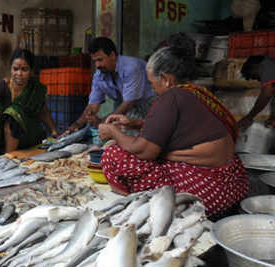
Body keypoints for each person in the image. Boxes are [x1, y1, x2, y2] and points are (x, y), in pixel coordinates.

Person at [99, 35, 248, 217]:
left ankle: (144, 204)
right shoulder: (196, 92)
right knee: (137, 147)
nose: (151, 88)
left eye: (151, 82)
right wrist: (136, 124)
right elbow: (181, 130)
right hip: (234, 182)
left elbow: (145, 151)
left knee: (113, 154)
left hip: (208, 190)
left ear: (166, 79)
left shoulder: (171, 97)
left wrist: (112, 131)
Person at [63, 37, 154, 135]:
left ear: (112, 55)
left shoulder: (131, 67)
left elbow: (129, 103)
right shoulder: (99, 76)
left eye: (100, 60)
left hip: (151, 106)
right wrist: (76, 125)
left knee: (148, 137)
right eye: (94, 61)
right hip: (128, 110)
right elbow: (93, 106)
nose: (97, 65)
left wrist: (103, 122)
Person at [238, 56, 275, 129]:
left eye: (254, 76)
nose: (258, 80)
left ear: (254, 66)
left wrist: (249, 117)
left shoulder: (266, 65)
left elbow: (266, 94)